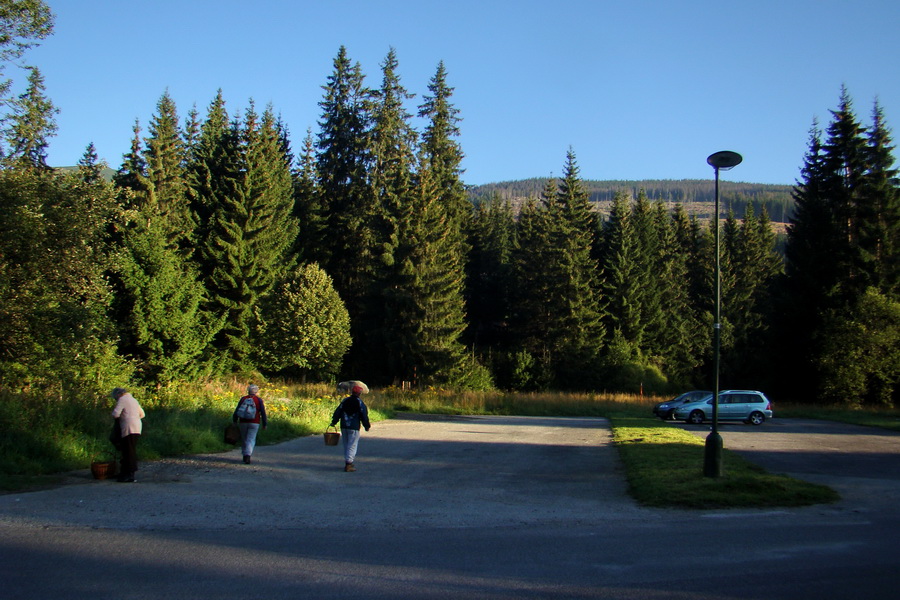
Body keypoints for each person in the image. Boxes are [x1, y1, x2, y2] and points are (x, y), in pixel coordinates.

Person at [329, 384, 371, 472]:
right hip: (354, 427)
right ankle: (349, 464)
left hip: (344, 426)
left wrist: (334, 421)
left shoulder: (345, 401)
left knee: (346, 444)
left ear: (352, 392)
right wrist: (366, 426)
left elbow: (338, 411)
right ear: (359, 393)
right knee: (352, 445)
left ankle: (348, 461)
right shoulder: (360, 403)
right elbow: (364, 416)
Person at [111, 387, 145, 483]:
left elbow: (116, 414)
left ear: (118, 394)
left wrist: (125, 417)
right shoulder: (133, 400)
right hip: (137, 427)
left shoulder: (122, 399)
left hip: (128, 427)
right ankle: (127, 472)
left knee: (127, 451)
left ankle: (128, 474)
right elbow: (142, 414)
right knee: (131, 450)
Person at [233, 384, 267, 464]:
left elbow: (237, 410)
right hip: (255, 422)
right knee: (251, 439)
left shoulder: (243, 399)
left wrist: (234, 421)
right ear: (256, 391)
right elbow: (263, 412)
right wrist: (264, 424)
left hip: (243, 422)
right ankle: (248, 455)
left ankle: (245, 454)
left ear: (248, 390)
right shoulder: (258, 400)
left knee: (244, 438)